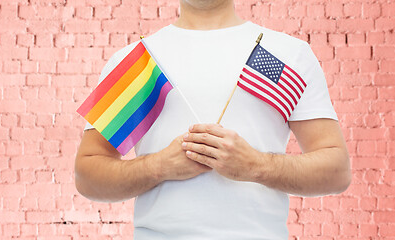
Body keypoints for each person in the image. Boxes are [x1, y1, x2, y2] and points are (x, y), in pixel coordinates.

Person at [74, 0, 352, 239]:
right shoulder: (138, 60)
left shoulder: (288, 54)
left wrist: (255, 165)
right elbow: (87, 174)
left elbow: (336, 170)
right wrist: (158, 166)